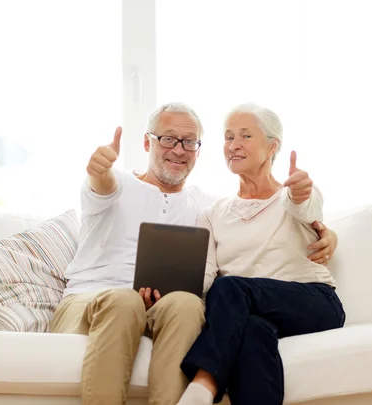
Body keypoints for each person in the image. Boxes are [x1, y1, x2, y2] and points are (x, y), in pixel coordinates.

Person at [50, 102, 339, 405]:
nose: (179, 149)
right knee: (130, 301)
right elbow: (102, 186)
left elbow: (300, 206)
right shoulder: (118, 183)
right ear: (148, 142)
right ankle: (204, 383)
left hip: (167, 305)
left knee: (188, 304)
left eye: (189, 142)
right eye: (168, 139)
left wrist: (329, 234)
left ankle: (196, 393)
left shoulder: (205, 204)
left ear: (199, 150)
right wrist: (98, 170)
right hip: (96, 299)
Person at [176, 103, 346, 405]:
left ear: (272, 147)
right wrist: (166, 292)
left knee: (229, 286)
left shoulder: (291, 196)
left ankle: (204, 384)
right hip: (253, 313)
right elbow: (202, 276)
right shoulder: (213, 213)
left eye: (245, 136)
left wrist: (301, 193)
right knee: (253, 331)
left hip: (313, 302)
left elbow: (306, 205)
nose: (234, 145)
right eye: (228, 137)